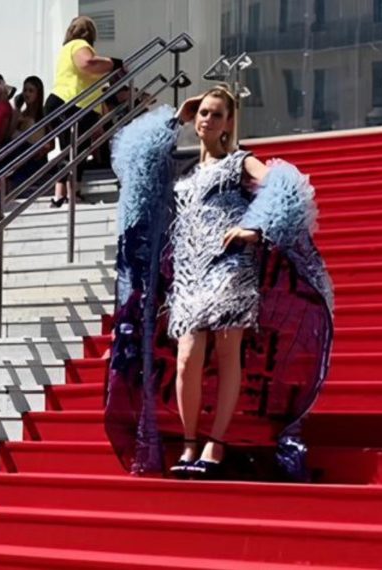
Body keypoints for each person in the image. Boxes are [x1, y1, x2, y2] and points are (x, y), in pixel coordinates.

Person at [104, 87, 334, 482]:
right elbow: (133, 162)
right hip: (189, 274)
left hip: (230, 267)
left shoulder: (239, 163)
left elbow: (286, 185)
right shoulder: (185, 174)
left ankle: (215, 441)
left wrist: (255, 226)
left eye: (215, 114)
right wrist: (176, 116)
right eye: (203, 113)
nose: (206, 120)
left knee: (228, 355)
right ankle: (191, 440)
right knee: (187, 357)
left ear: (229, 123)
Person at [45, 16, 123, 207]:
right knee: (73, 151)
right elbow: (86, 64)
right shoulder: (79, 45)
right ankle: (69, 196)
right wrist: (115, 63)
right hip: (71, 104)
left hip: (65, 103)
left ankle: (62, 197)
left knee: (70, 151)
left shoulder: (66, 49)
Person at [10, 76, 53, 185]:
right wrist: (17, 108)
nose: (27, 94)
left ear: (38, 94)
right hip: (21, 157)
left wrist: (43, 150)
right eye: (25, 90)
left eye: (31, 91)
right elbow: (9, 135)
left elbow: (51, 143)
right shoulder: (20, 114)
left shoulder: (44, 115)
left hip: (35, 159)